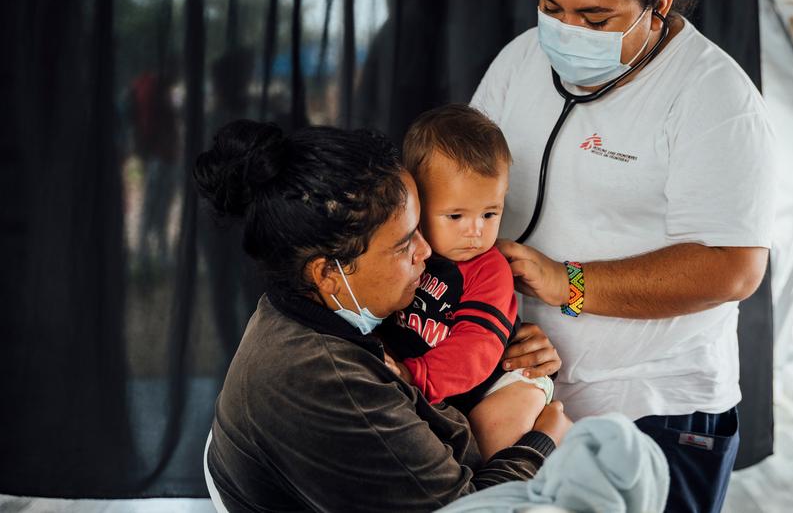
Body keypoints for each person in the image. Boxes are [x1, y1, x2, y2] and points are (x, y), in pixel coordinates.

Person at [470, 0, 775, 513]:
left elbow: (734, 266)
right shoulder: (520, 62)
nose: (564, 31)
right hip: (526, 392)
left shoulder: (714, 98)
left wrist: (567, 283)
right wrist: (485, 323)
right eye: (550, 7)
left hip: (655, 410)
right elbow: (461, 183)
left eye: (596, 18)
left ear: (657, 8)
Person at [197, 119, 571, 512]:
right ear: (328, 273)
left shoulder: (303, 305)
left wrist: (508, 356)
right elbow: (467, 509)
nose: (426, 252)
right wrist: (543, 442)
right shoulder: (330, 382)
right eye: (404, 243)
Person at [380, 104, 555, 460]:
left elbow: (477, 347)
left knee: (489, 436)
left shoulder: (489, 269)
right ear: (416, 202)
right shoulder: (401, 254)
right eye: (456, 215)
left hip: (500, 382)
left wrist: (416, 377)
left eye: (490, 213)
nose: (476, 231)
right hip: (435, 386)